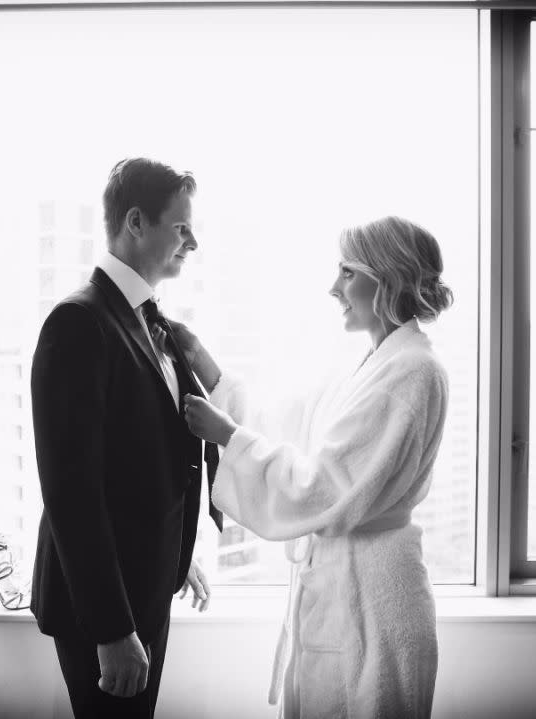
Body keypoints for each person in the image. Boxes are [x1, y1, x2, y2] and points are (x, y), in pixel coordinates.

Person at [174, 216, 452, 718]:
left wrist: (227, 437)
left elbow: (321, 488)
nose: (333, 287)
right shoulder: (370, 365)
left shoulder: (412, 372)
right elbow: (290, 431)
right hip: (346, 596)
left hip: (374, 609)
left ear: (386, 277)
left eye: (347, 272)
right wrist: (205, 366)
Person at [30, 158, 217, 718]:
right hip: (104, 611)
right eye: (182, 228)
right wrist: (111, 630)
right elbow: (73, 492)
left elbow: (142, 464)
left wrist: (175, 555)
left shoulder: (145, 320)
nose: (193, 242)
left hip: (144, 584)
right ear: (136, 222)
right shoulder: (79, 323)